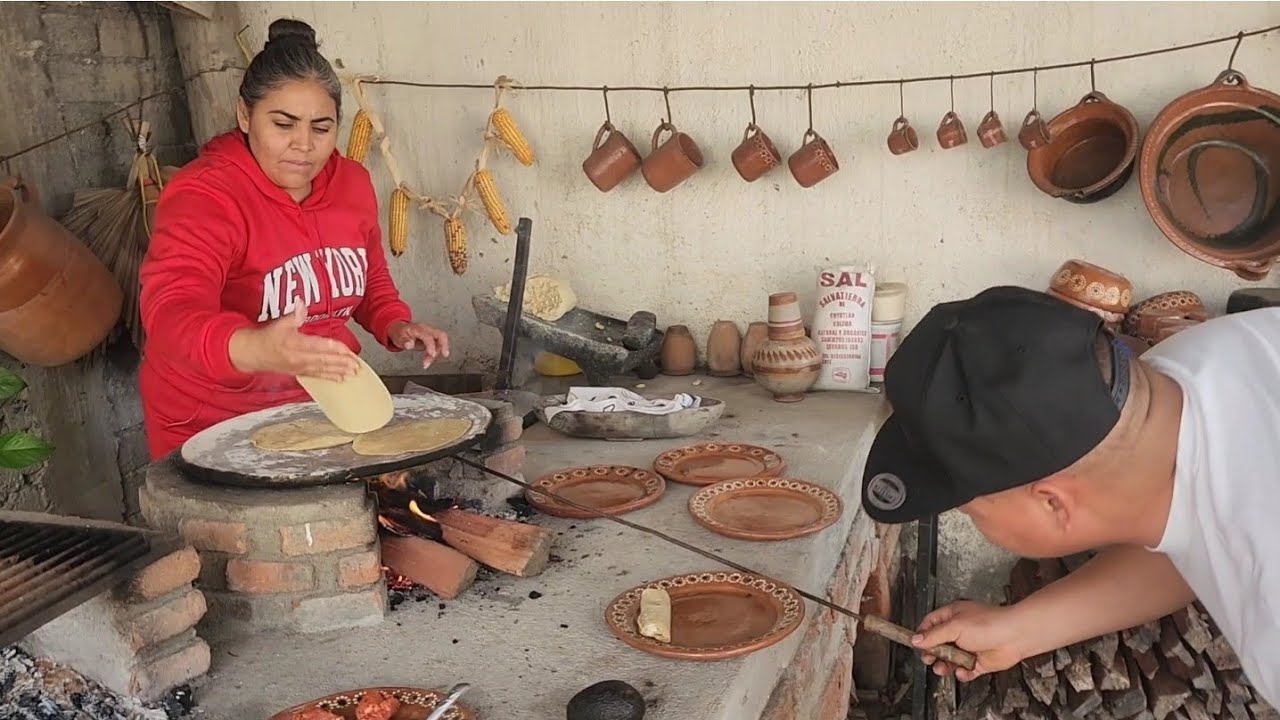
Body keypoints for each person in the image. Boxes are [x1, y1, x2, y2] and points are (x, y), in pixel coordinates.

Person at [859, 285, 1279, 705]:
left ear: (1053, 503)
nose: (972, 518)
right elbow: (1187, 539)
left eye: (970, 510)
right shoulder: (1197, 362)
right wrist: (1019, 631)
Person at [138, 18, 450, 460]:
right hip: (213, 421)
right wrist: (257, 348)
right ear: (245, 115)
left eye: (321, 128)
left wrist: (396, 324)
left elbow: (369, 280)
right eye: (283, 124)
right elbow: (170, 314)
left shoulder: (352, 184)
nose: (303, 145)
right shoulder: (205, 194)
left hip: (321, 410)